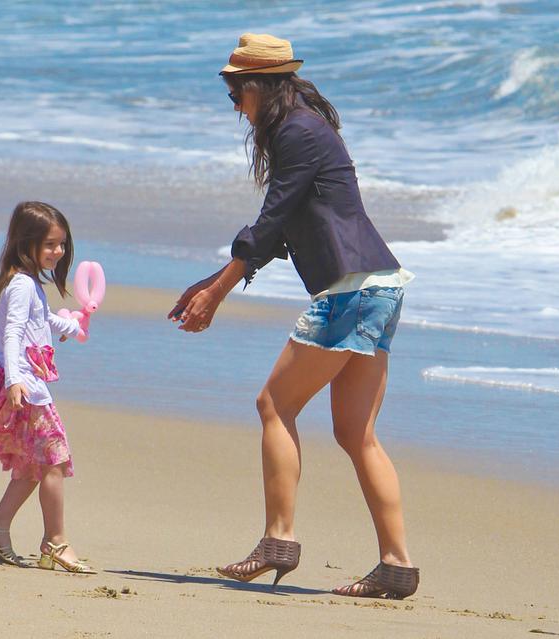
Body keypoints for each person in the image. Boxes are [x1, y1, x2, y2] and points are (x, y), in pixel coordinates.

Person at [168, 34, 418, 599]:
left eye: (236, 94)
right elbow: (279, 230)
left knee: (274, 406)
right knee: (356, 433)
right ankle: (397, 564)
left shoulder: (297, 131)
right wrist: (212, 282)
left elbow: (273, 218)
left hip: (350, 290)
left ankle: (278, 539)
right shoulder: (306, 126)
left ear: (258, 86)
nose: (236, 107)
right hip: (377, 287)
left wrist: (217, 294)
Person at [0, 201, 95, 574]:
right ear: (25, 242)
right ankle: (55, 541)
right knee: (55, 461)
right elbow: (13, 333)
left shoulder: (29, 284)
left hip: (27, 383)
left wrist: (72, 327)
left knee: (31, 466)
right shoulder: (22, 285)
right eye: (49, 244)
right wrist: (14, 380)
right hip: (25, 387)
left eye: (61, 244)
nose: (58, 252)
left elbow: (41, 319)